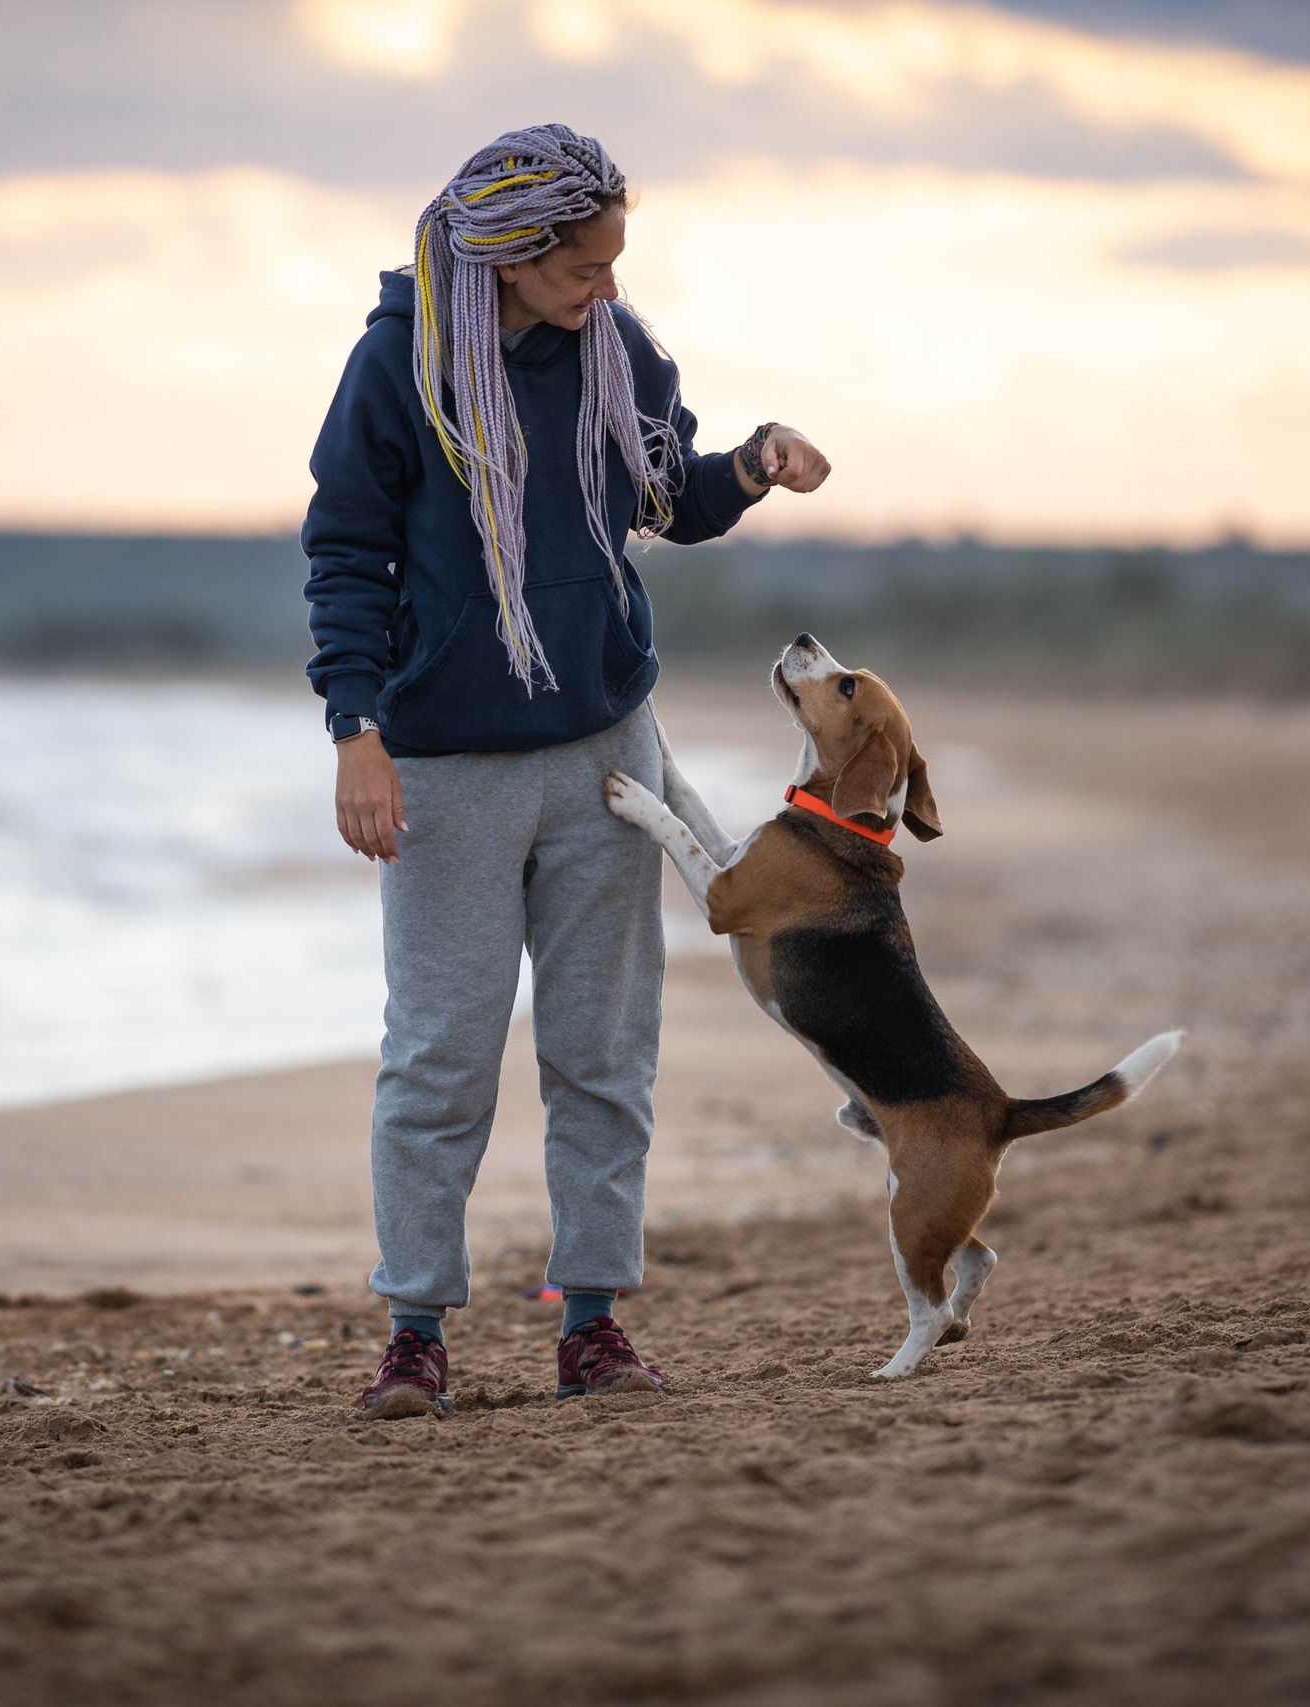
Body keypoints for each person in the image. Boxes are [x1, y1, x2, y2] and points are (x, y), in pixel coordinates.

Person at [302, 124, 830, 1420]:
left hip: (606, 751)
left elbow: (667, 499)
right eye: (587, 267)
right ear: (515, 256)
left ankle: (591, 1326)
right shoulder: (399, 366)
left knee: (604, 1053)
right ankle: (414, 1333)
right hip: (446, 770)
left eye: (614, 264)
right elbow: (343, 552)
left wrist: (755, 464)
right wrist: (353, 731)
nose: (608, 287)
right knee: (441, 1060)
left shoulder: (622, 350)